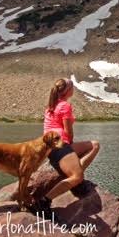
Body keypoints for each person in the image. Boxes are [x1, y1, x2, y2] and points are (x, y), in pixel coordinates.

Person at [31, 78, 100, 216]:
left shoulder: (51, 105)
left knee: (94, 145)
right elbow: (68, 132)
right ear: (68, 90)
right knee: (77, 176)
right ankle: (44, 202)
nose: (74, 89)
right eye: (72, 87)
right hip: (60, 146)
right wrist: (69, 146)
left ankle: (76, 181)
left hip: (51, 147)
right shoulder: (64, 106)